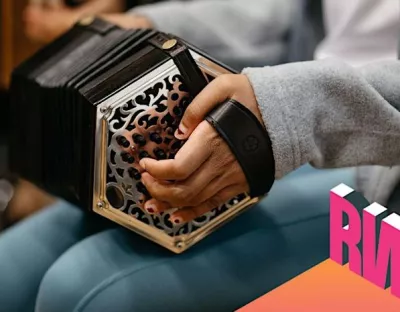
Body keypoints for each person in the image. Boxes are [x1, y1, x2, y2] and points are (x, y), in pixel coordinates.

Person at [1, 1, 399, 312]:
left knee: (83, 290)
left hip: (385, 191)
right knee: (9, 272)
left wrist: (287, 112)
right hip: (296, 122)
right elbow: (292, 16)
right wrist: (150, 31)